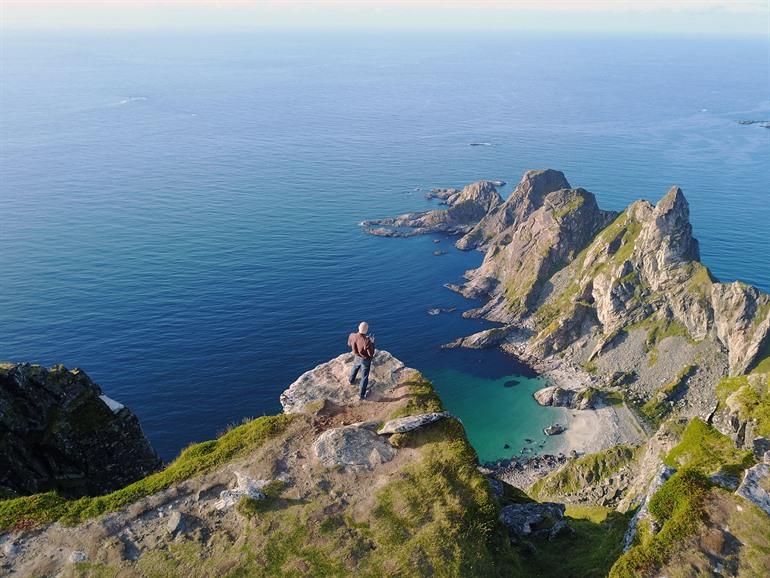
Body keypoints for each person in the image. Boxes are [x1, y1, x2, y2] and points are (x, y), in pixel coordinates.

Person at [347, 321, 375, 399]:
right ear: (366, 330)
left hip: (357, 357)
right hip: (365, 360)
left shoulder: (352, 335)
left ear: (358, 327)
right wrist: (372, 343)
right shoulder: (367, 341)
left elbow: (349, 344)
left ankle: (351, 381)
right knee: (364, 376)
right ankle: (361, 395)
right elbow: (371, 354)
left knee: (355, 367)